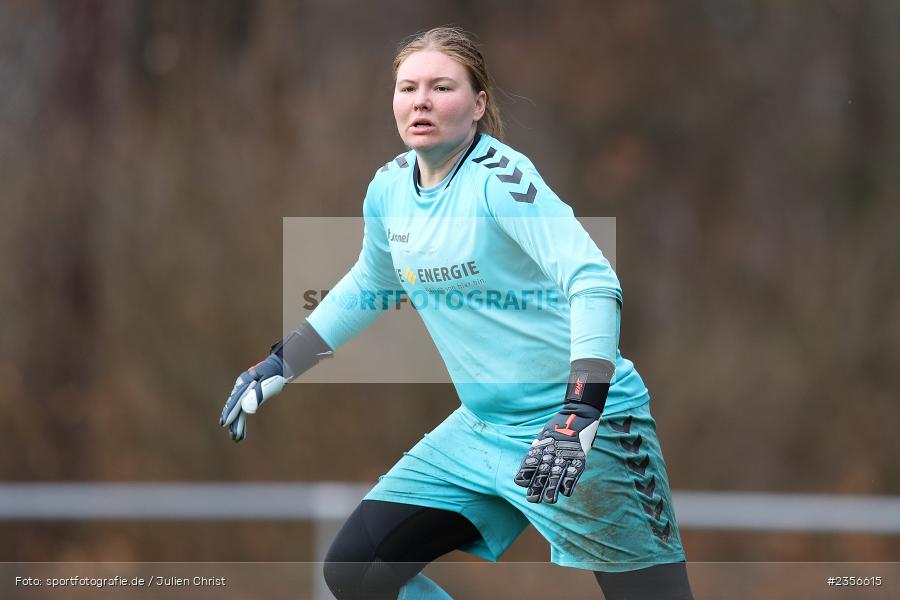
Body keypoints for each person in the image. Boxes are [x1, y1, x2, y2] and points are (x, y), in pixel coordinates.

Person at [221, 26, 694, 600]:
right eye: (407, 87)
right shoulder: (389, 189)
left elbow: (593, 280)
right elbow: (372, 282)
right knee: (356, 569)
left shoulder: (501, 182)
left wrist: (580, 411)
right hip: (480, 429)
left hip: (577, 429)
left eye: (441, 87)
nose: (420, 100)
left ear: (478, 105)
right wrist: (279, 363)